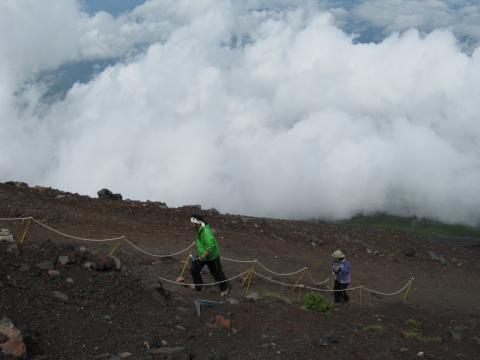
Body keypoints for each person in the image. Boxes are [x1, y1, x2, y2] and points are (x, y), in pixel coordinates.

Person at [189, 215, 230, 296]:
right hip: (203, 254)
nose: (191, 224)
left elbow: (211, 246)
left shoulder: (205, 232)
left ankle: (225, 288)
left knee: (217, 273)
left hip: (212, 256)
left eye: (192, 223)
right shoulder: (199, 229)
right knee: (194, 269)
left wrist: (203, 256)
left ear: (197, 224)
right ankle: (199, 286)